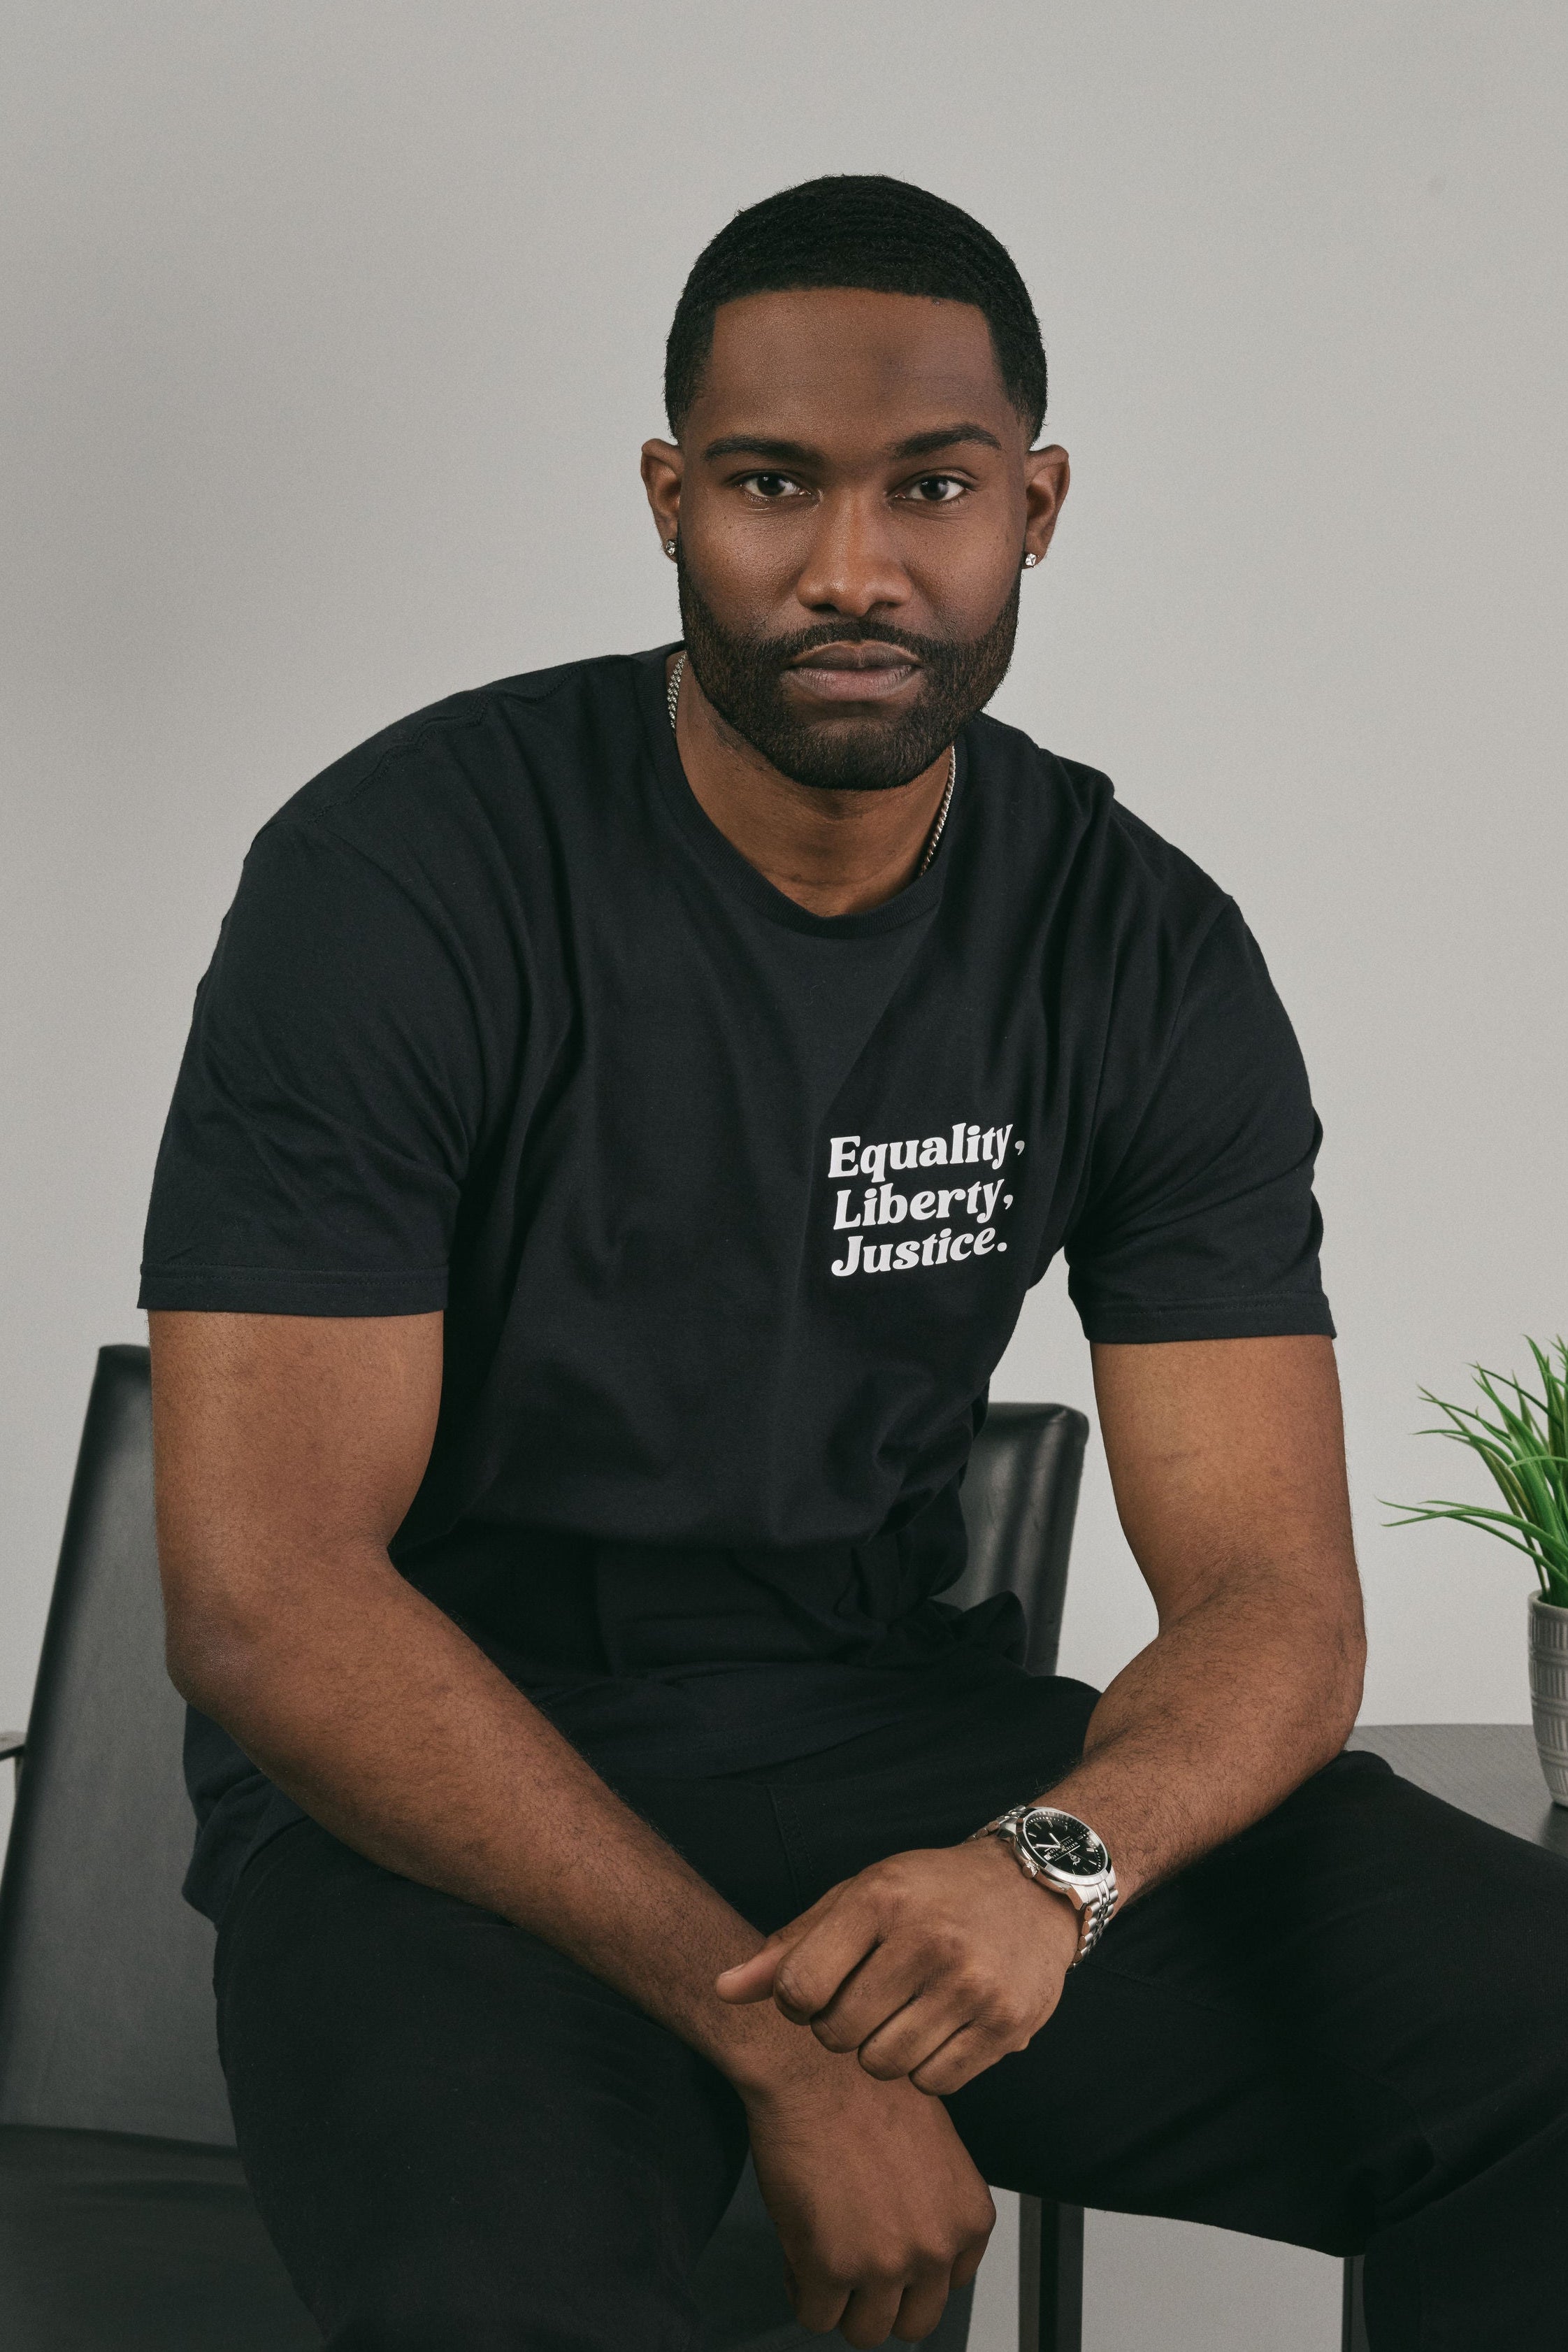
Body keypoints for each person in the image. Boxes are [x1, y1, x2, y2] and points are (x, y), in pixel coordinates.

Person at [140, 175, 1567, 2351]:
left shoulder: (1136, 947)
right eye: (768, 484)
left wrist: (1048, 1869)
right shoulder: (398, 876)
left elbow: (1278, 1605)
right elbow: (273, 1601)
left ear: (1037, 504)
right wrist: (796, 2051)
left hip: (880, 1744)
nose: (848, 568)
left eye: (933, 487)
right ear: (666, 498)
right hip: (439, 1801)